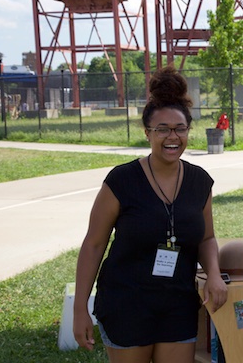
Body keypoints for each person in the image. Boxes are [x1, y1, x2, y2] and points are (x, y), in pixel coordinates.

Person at [73, 66, 228, 362]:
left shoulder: (200, 182)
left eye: (180, 129)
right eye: (162, 129)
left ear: (188, 131)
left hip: (178, 302)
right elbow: (93, 245)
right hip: (126, 303)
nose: (173, 137)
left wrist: (214, 276)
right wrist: (80, 307)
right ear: (147, 133)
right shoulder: (121, 181)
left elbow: (206, 237)